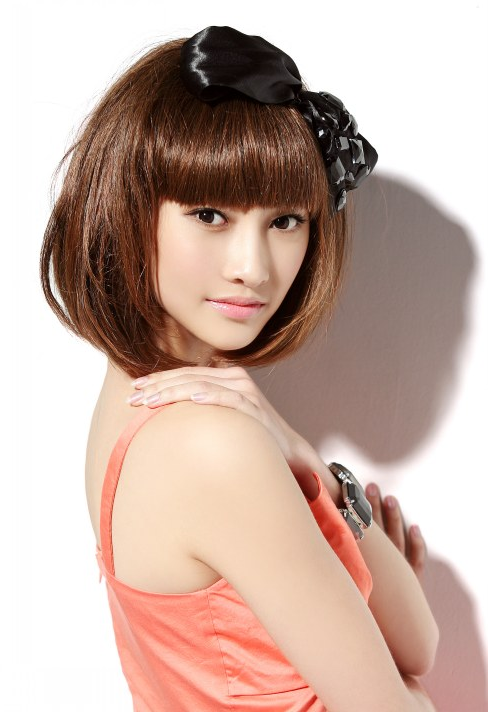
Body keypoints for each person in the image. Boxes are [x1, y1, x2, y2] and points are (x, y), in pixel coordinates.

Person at [40, 25, 438, 712]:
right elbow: (411, 672)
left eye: (285, 221)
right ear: (130, 210)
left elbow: (421, 644)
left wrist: (307, 462)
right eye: (210, 214)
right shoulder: (209, 446)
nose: (253, 267)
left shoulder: (142, 403)